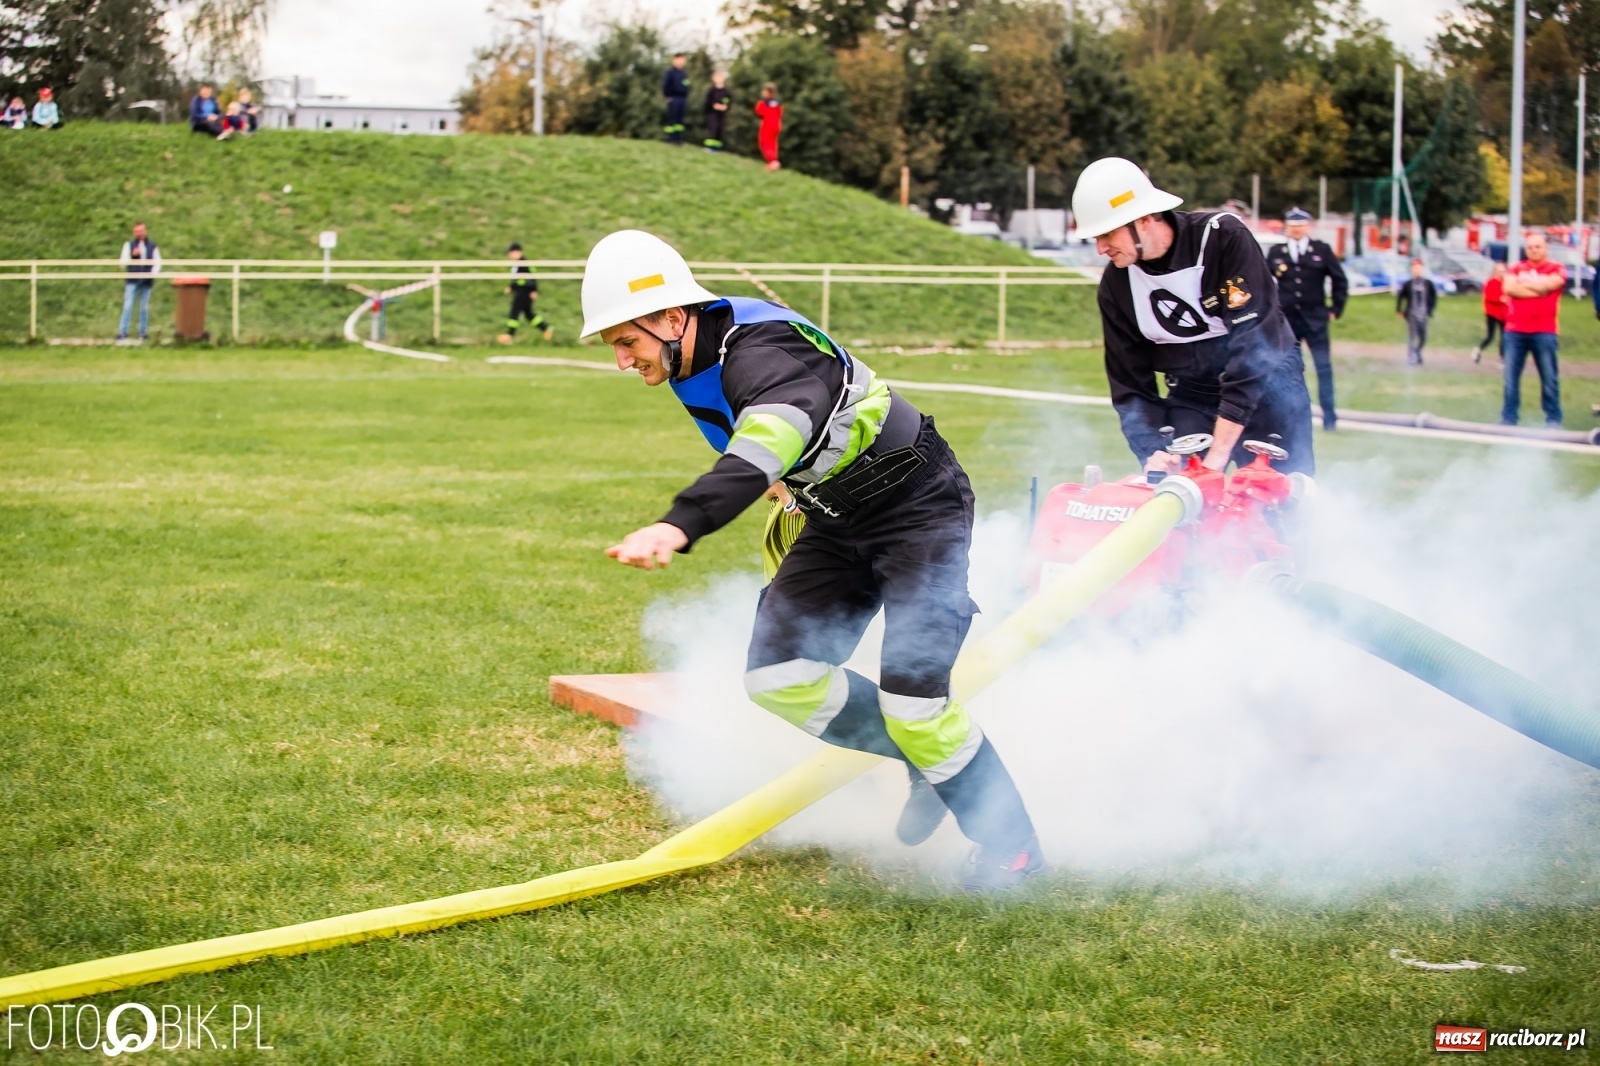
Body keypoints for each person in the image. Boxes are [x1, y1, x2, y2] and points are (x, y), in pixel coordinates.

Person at [581, 229, 1043, 891]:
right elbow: (771, 446)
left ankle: (1014, 852)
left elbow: (772, 429)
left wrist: (679, 524)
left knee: (917, 704)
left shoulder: (758, 350)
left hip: (919, 507)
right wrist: (786, 487)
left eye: (626, 341)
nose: (623, 360)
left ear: (671, 318)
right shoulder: (690, 361)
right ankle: (918, 762)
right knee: (779, 677)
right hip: (836, 517)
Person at [1070, 157, 1315, 477]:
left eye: (1108, 234)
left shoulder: (1222, 238)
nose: (1101, 248)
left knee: (1279, 500)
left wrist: (1218, 454)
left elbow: (1254, 347)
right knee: (1181, 501)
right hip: (1192, 394)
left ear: (1143, 219)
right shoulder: (1116, 286)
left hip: (1269, 387)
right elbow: (1130, 385)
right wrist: (1152, 452)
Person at [1265, 207, 1346, 431]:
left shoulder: (1321, 250)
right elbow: (1262, 281)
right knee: (1285, 367)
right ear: (1287, 227)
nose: (1296, 230)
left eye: (1300, 226)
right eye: (1292, 226)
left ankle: (1329, 418)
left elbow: (1339, 280)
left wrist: (1335, 309)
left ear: (1307, 226)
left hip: (1315, 319)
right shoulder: (1276, 252)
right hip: (1288, 321)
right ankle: (1285, 416)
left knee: (1323, 368)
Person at [1500, 230, 1566, 427]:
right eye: (1530, 247)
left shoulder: (1556, 267)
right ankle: (1509, 418)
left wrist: (1525, 287)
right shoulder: (1516, 268)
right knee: (1510, 378)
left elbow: (1552, 284)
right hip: (1515, 330)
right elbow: (1509, 289)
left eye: (1538, 247)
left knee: (1549, 378)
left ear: (1545, 249)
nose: (1534, 250)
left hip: (1544, 331)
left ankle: (1553, 418)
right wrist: (1539, 289)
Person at [497, 242, 552, 343]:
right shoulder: (516, 264)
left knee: (514, 312)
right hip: (520, 290)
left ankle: (510, 334)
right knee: (528, 314)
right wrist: (511, 287)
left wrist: (533, 290)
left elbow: (532, 276)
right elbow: (516, 279)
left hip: (524, 291)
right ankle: (546, 328)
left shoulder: (524, 263)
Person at [117, 222, 161, 341]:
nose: (139, 233)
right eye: (137, 231)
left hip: (146, 281)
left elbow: (157, 262)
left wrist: (152, 274)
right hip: (132, 280)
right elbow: (122, 262)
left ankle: (143, 333)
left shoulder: (152, 246)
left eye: (141, 231)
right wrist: (132, 256)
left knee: (144, 307)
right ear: (134, 232)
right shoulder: (129, 245)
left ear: (145, 231)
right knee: (128, 306)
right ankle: (122, 332)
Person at [1395, 258, 1436, 366]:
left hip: (1423, 314)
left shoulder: (1427, 283)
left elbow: (1433, 296)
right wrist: (1399, 310)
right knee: (1412, 336)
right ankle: (1411, 357)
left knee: (1423, 337)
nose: (1417, 270)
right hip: (1411, 314)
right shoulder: (1408, 284)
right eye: (1414, 268)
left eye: (1418, 268)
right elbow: (1401, 297)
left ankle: (1417, 352)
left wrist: (1431, 309)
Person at [1474, 261, 1508, 364]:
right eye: (1499, 270)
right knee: (1490, 336)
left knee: (1504, 336)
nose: (1501, 273)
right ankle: (1479, 350)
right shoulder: (1490, 282)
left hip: (1503, 314)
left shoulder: (1506, 283)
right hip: (1492, 313)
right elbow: (1489, 297)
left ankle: (1502, 357)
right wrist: (1500, 299)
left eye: (1503, 271)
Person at [662, 53, 690, 145]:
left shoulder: (684, 73)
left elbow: (686, 84)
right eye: (681, 59)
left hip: (682, 98)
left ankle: (678, 139)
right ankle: (670, 139)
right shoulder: (670, 72)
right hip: (673, 98)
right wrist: (668, 96)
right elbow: (665, 85)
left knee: (679, 121)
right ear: (675, 60)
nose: (683, 62)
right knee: (672, 119)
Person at [755, 83, 782, 171]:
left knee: (764, 144)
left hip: (767, 125)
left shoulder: (763, 102)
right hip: (777, 125)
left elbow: (759, 112)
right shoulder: (778, 103)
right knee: (773, 144)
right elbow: (780, 113)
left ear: (767, 92)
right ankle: (773, 161)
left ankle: (773, 162)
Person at [703, 70, 731, 152]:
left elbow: (728, 102)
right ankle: (710, 148)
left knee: (719, 130)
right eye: (717, 77)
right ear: (713, 79)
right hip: (713, 113)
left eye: (720, 76)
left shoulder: (726, 92)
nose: (719, 79)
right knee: (713, 129)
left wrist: (725, 107)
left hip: (722, 114)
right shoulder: (712, 90)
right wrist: (714, 105)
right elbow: (707, 101)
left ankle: (717, 148)